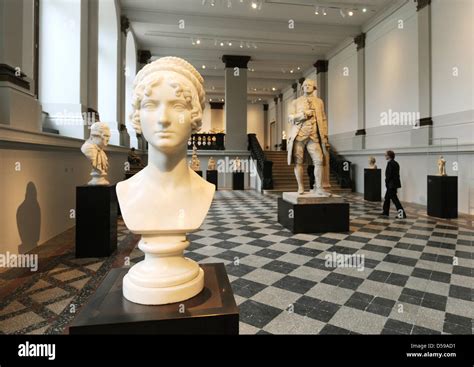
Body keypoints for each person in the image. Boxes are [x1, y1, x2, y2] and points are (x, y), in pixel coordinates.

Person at [287, 79, 330, 196]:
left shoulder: (319, 102)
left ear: (314, 87)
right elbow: (290, 117)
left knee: (319, 160)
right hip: (299, 135)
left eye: (309, 85)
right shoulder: (295, 102)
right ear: (302, 88)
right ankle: (300, 186)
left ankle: (319, 187)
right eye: (304, 85)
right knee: (298, 162)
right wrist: (304, 115)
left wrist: (325, 136)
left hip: (314, 135)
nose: (306, 87)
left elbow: (324, 119)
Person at [382, 150, 406, 218]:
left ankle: (402, 214)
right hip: (393, 184)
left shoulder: (390, 163)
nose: (385, 156)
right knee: (387, 198)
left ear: (389, 156)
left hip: (391, 185)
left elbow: (389, 175)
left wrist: (386, 182)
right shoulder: (396, 163)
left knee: (395, 200)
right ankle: (385, 212)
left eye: (386, 155)